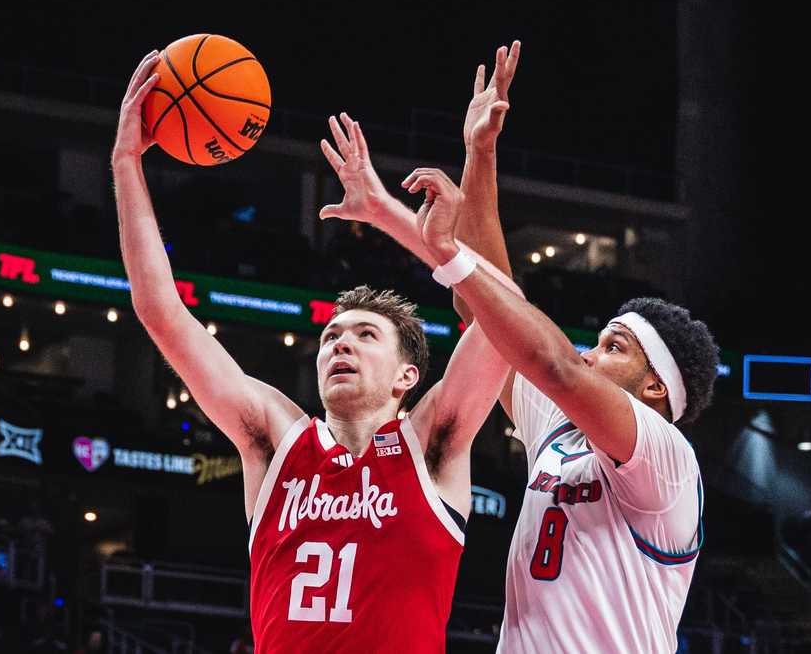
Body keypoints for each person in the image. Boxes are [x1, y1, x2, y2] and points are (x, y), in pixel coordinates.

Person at [112, 51, 519, 653]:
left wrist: (418, 207)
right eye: (332, 335)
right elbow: (162, 312)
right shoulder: (276, 439)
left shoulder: (432, 441)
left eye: (364, 335)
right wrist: (125, 163)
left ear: (408, 374)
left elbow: (507, 316)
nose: (341, 344)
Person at [337, 42, 720, 653]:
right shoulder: (560, 433)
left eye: (615, 348)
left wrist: (447, 253)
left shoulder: (663, 457)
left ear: (656, 386)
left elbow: (556, 366)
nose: (593, 354)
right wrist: (478, 157)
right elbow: (490, 314)